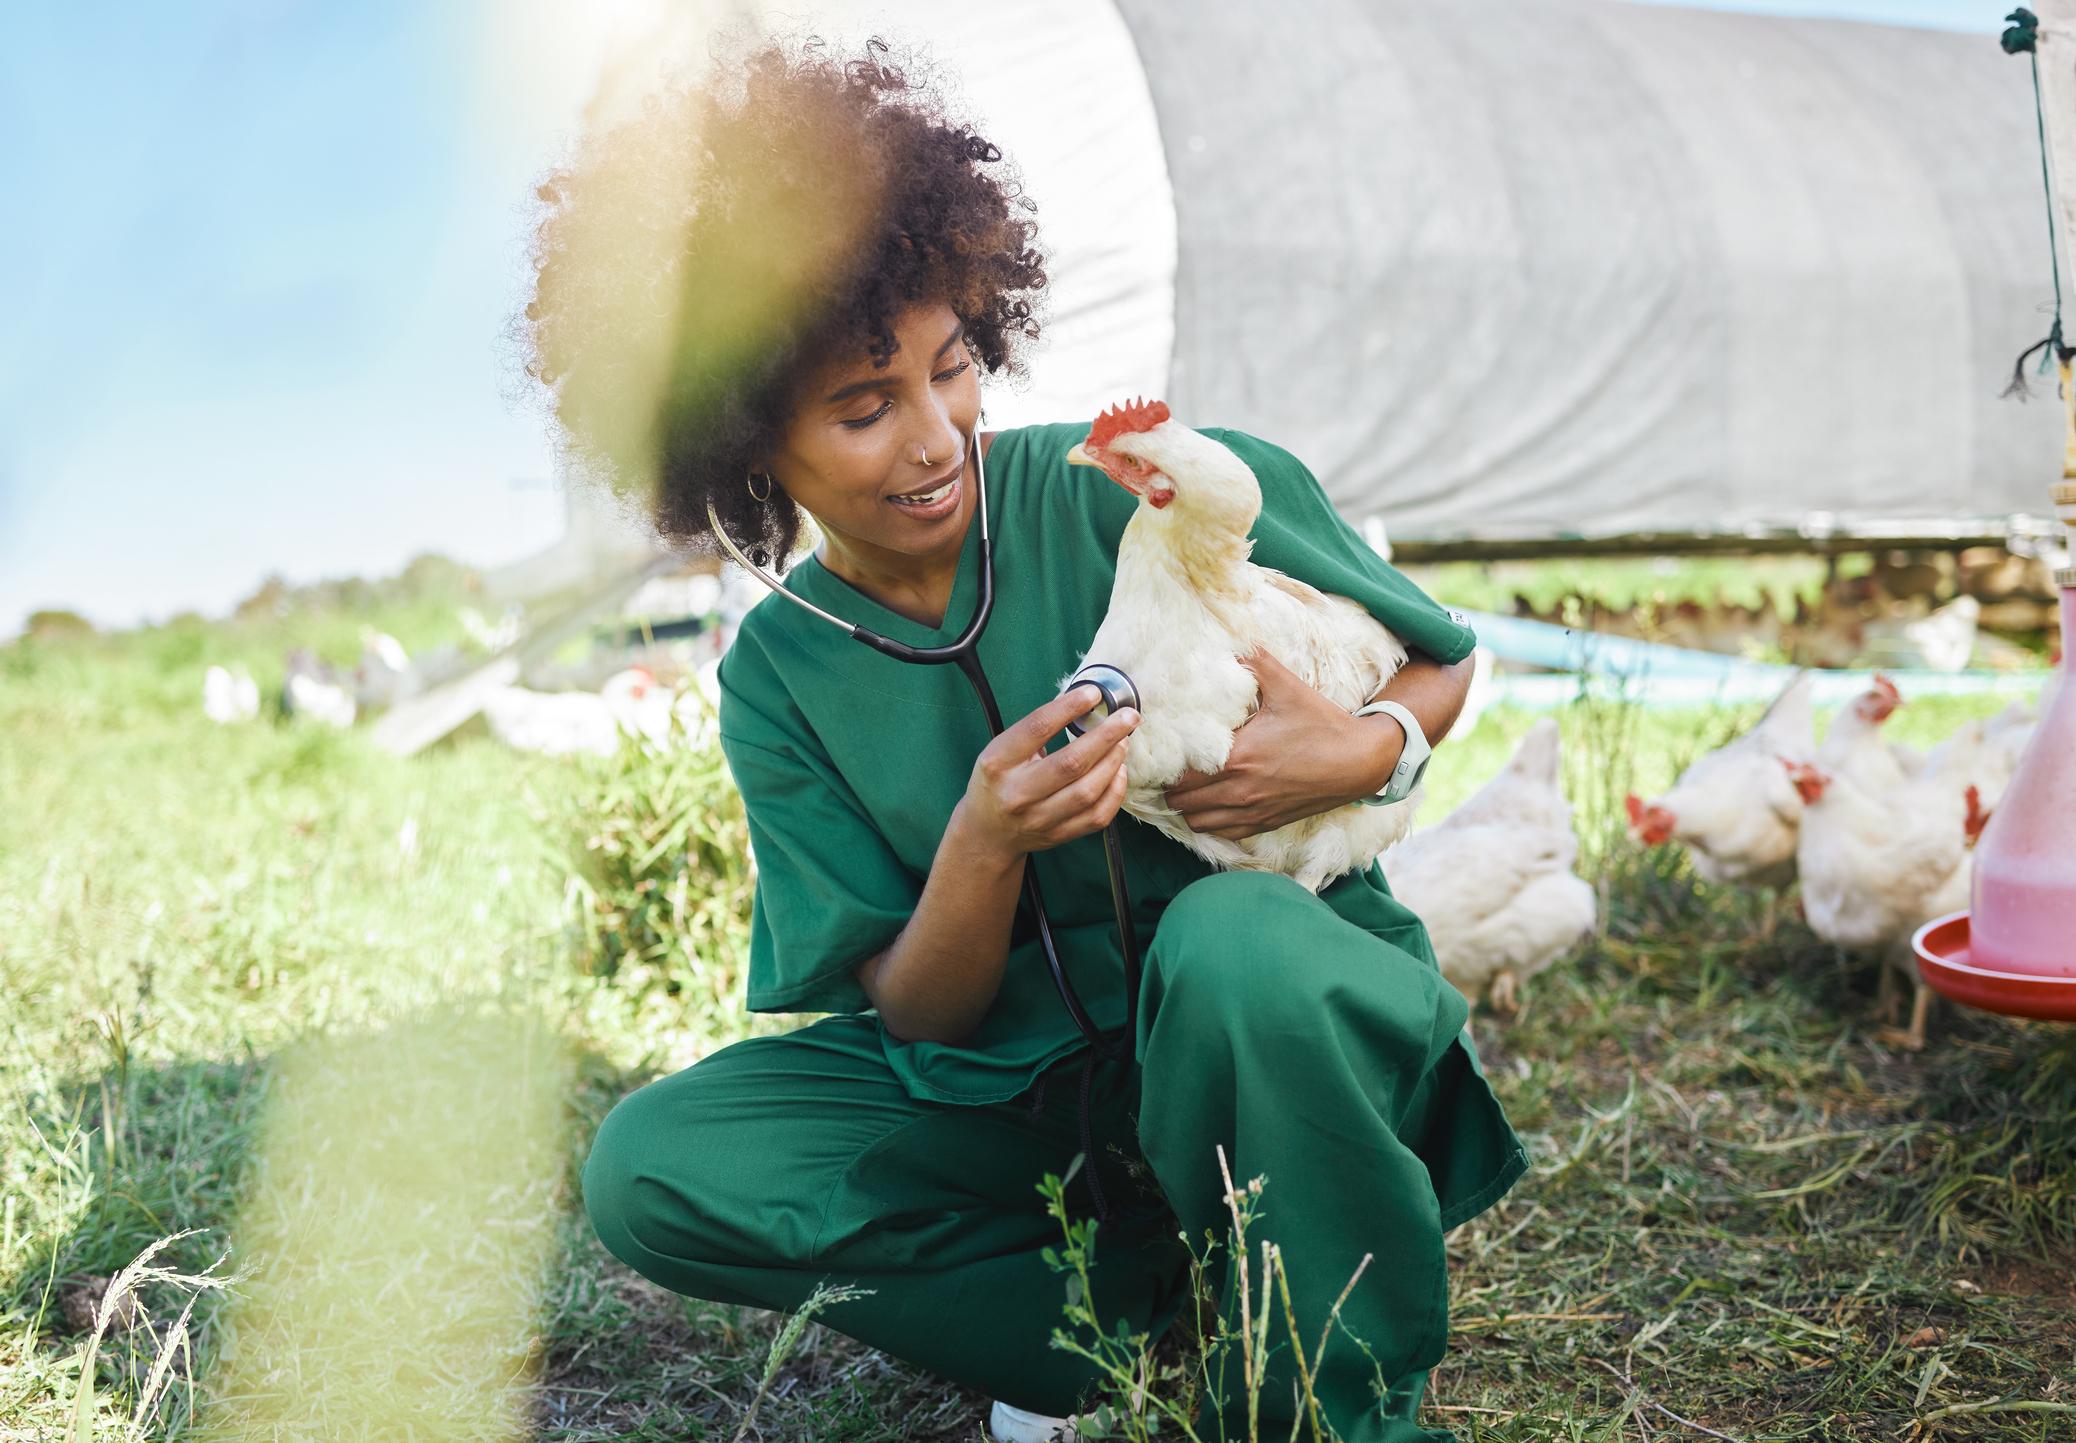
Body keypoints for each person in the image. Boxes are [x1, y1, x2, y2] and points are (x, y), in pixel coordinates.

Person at [517, 30, 1528, 1443]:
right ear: (744, 440)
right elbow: (918, 1010)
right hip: (1018, 1109)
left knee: (1233, 942)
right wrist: (983, 846)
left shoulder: (1130, 491)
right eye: (863, 409)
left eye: (950, 369)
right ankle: (1119, 1327)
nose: (935, 436)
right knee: (655, 1164)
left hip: (1275, 1050)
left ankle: (1317, 1391)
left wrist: (1364, 752)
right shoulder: (782, 678)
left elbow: (1441, 656)